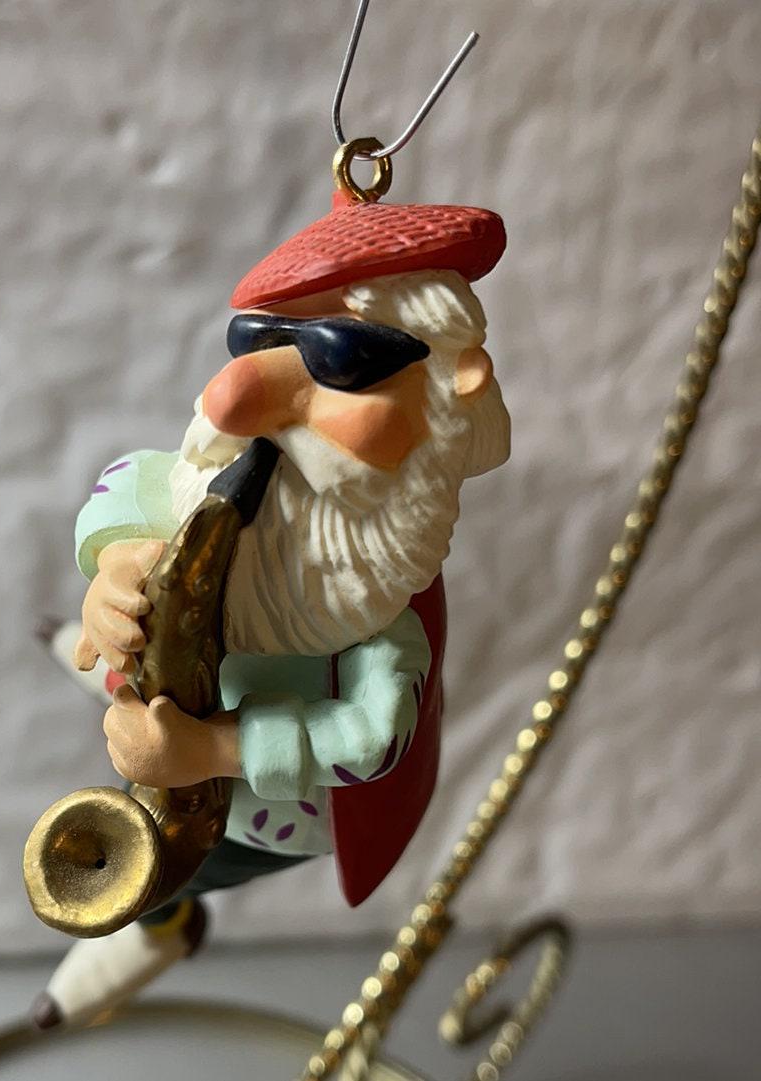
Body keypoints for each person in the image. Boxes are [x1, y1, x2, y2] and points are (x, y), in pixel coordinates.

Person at [34, 197, 511, 1029]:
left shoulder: (375, 606)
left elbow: (372, 741)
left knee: (163, 867)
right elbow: (133, 478)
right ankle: (117, 671)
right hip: (171, 692)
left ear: (451, 391)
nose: (233, 402)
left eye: (339, 360)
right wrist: (113, 563)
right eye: (255, 343)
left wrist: (209, 752)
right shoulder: (237, 467)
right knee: (128, 672)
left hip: (259, 806)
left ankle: (159, 923)